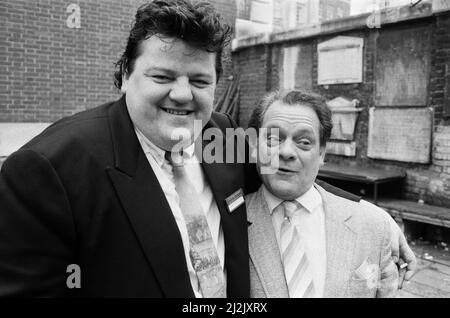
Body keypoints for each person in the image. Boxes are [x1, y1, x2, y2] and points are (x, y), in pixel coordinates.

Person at [0, 0, 414, 297]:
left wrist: (371, 214)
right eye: (163, 76)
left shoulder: (220, 134)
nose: (182, 95)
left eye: (199, 81)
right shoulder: (48, 169)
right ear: (125, 74)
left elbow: (284, 172)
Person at [246, 89, 400, 297]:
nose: (287, 152)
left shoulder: (373, 226)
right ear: (255, 145)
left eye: (304, 142)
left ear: (322, 152)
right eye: (274, 138)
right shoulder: (227, 223)